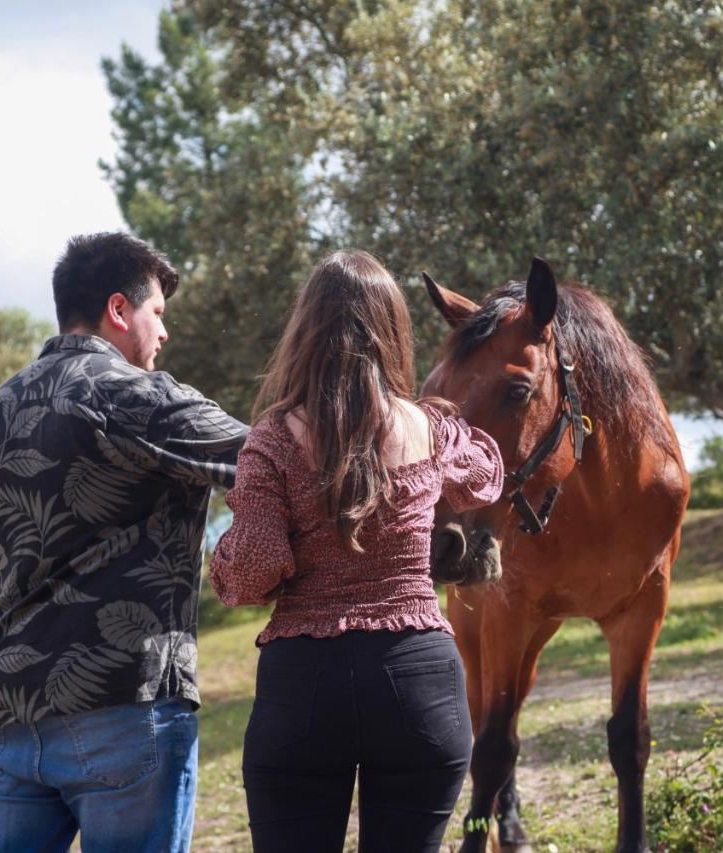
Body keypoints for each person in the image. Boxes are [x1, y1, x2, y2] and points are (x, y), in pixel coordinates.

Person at [0, 232, 248, 853]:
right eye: (157, 313)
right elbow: (279, 459)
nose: (163, 334)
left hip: (5, 720)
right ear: (118, 310)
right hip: (123, 707)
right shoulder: (136, 396)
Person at [210, 249, 504, 852]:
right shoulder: (431, 428)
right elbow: (486, 475)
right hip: (418, 676)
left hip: (304, 688)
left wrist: (222, 560)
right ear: (392, 331)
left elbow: (254, 571)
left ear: (304, 332)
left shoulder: (271, 439)